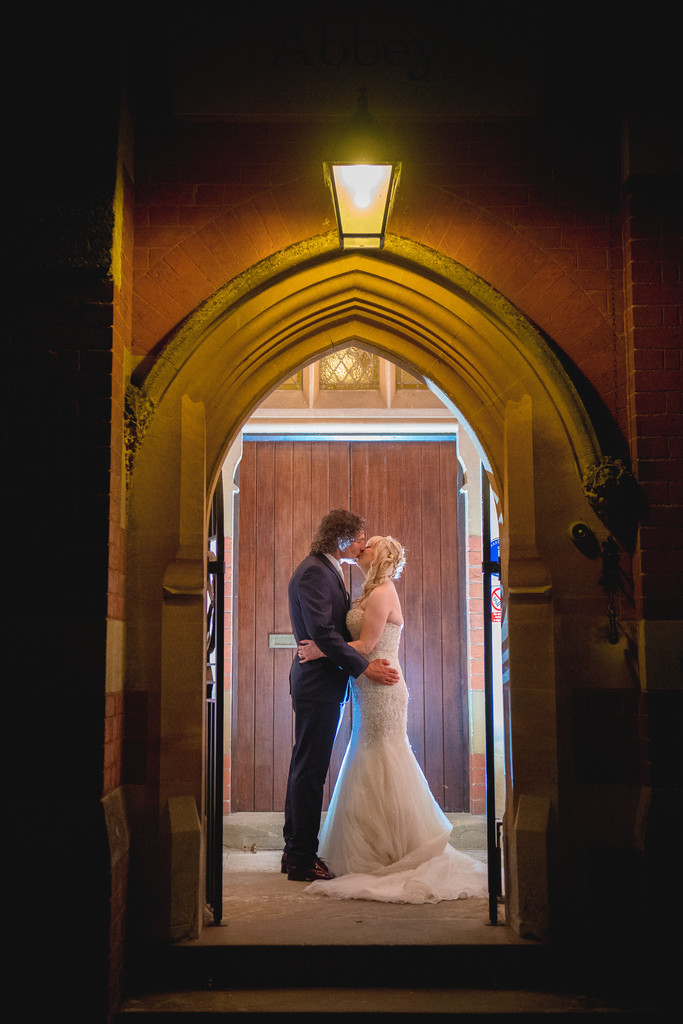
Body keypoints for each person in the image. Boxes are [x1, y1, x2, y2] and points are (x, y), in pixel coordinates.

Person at [296, 535, 488, 903]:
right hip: (365, 687)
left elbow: (367, 646)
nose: (359, 547)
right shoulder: (367, 593)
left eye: (367, 544)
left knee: (382, 755)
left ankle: (395, 850)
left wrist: (321, 650)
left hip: (383, 687)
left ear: (380, 556)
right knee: (367, 756)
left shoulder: (383, 592)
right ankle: (375, 846)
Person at [283, 511, 400, 882]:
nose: (362, 544)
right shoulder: (316, 570)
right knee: (310, 770)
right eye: (358, 538)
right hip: (317, 685)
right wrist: (364, 668)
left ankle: (293, 851)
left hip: (321, 683)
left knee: (306, 767)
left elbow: (328, 635)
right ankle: (301, 857)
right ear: (341, 538)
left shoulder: (328, 569)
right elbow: (323, 632)